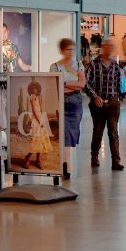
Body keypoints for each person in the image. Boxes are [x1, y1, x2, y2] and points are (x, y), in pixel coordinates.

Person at [85, 38, 125, 171]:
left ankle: (116, 160)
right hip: (98, 103)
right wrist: (94, 96)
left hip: (112, 103)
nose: (111, 48)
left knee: (113, 132)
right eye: (109, 46)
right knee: (98, 131)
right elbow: (86, 83)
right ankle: (94, 156)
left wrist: (118, 98)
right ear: (103, 47)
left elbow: (119, 83)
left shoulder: (115, 65)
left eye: (112, 46)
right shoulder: (93, 64)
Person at [54, 38, 85, 180]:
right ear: (62, 51)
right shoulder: (55, 67)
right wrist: (74, 84)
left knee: (72, 133)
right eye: (68, 49)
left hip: (75, 102)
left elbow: (82, 84)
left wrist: (65, 83)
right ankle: (66, 164)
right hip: (61, 102)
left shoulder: (79, 65)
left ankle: (65, 163)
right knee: (64, 133)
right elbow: (55, 85)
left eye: (73, 49)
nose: (71, 52)